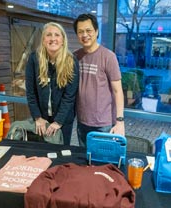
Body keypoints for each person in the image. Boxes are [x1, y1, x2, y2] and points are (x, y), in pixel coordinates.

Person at [73, 14, 125, 147]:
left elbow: (118, 90)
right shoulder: (75, 57)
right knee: (85, 159)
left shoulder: (108, 56)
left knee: (102, 162)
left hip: (103, 124)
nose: (85, 35)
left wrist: (120, 122)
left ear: (96, 32)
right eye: (80, 32)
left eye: (88, 30)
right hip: (82, 121)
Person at [25, 22, 79, 145]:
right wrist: (38, 118)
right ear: (43, 40)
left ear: (63, 40)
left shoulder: (71, 61)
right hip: (41, 119)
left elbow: (69, 96)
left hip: (63, 121)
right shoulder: (34, 59)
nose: (53, 38)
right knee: (42, 152)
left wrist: (58, 122)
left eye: (57, 35)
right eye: (49, 35)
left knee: (60, 153)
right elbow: (31, 92)